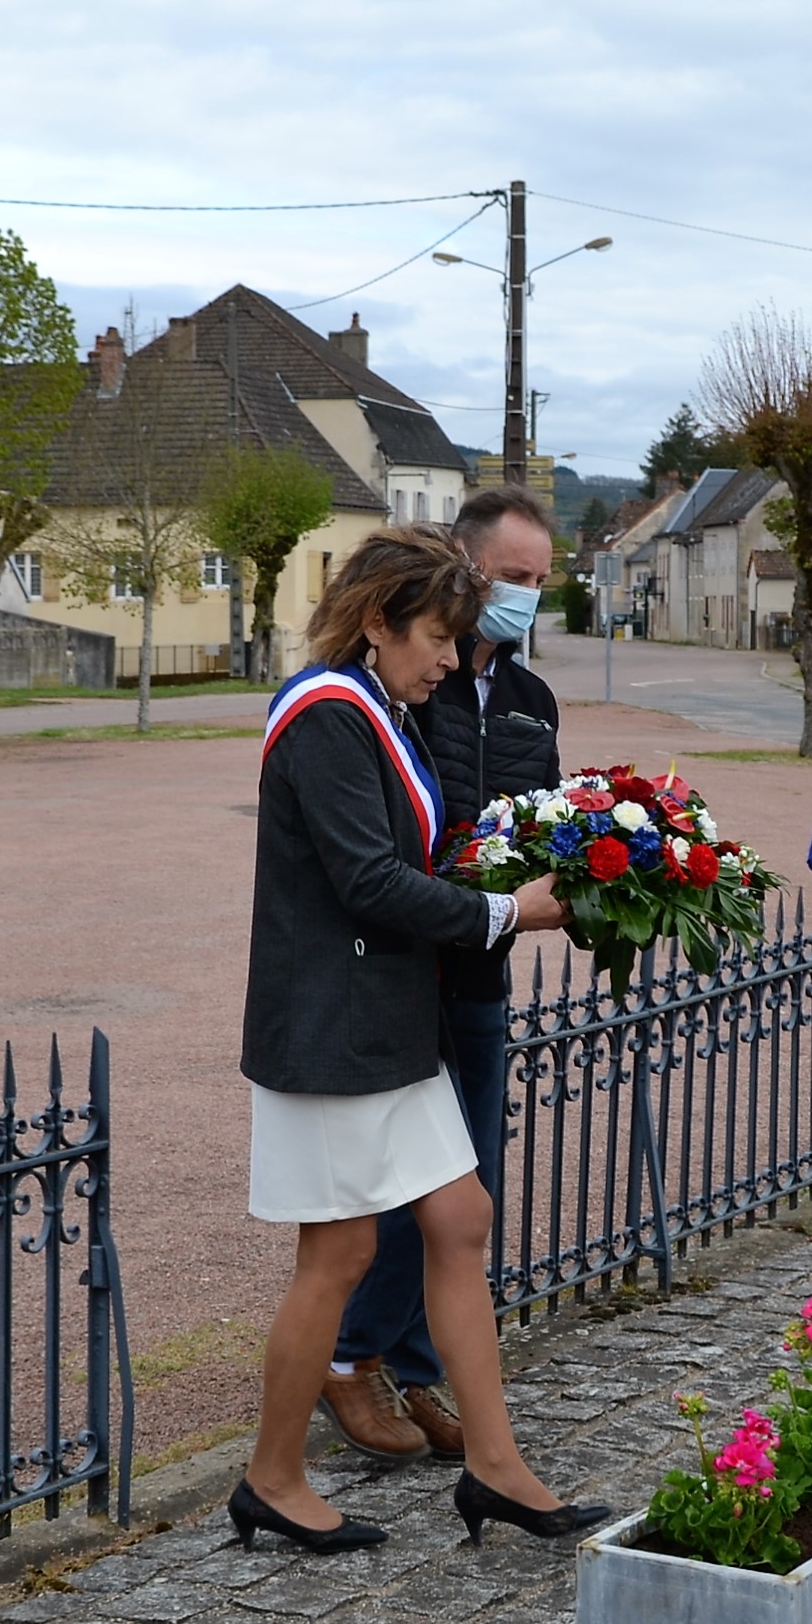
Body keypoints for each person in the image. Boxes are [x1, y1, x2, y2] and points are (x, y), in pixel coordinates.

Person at [233, 524, 610, 1555]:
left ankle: (495, 1467)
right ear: (375, 622)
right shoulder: (324, 714)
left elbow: (417, 855)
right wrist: (506, 913)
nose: (451, 659)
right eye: (437, 638)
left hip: (384, 1021)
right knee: (340, 1250)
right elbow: (365, 880)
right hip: (333, 1025)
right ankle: (271, 1476)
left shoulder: (380, 712)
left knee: (458, 1216)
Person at [323, 484, 564, 1462]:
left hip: (481, 970)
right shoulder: (381, 688)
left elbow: (545, 816)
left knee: (465, 1190)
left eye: (541, 583)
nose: (525, 599)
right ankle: (349, 1358)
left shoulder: (528, 695)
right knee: (399, 1187)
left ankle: (416, 1368)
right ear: (463, 569)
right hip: (400, 969)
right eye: (511, 578)